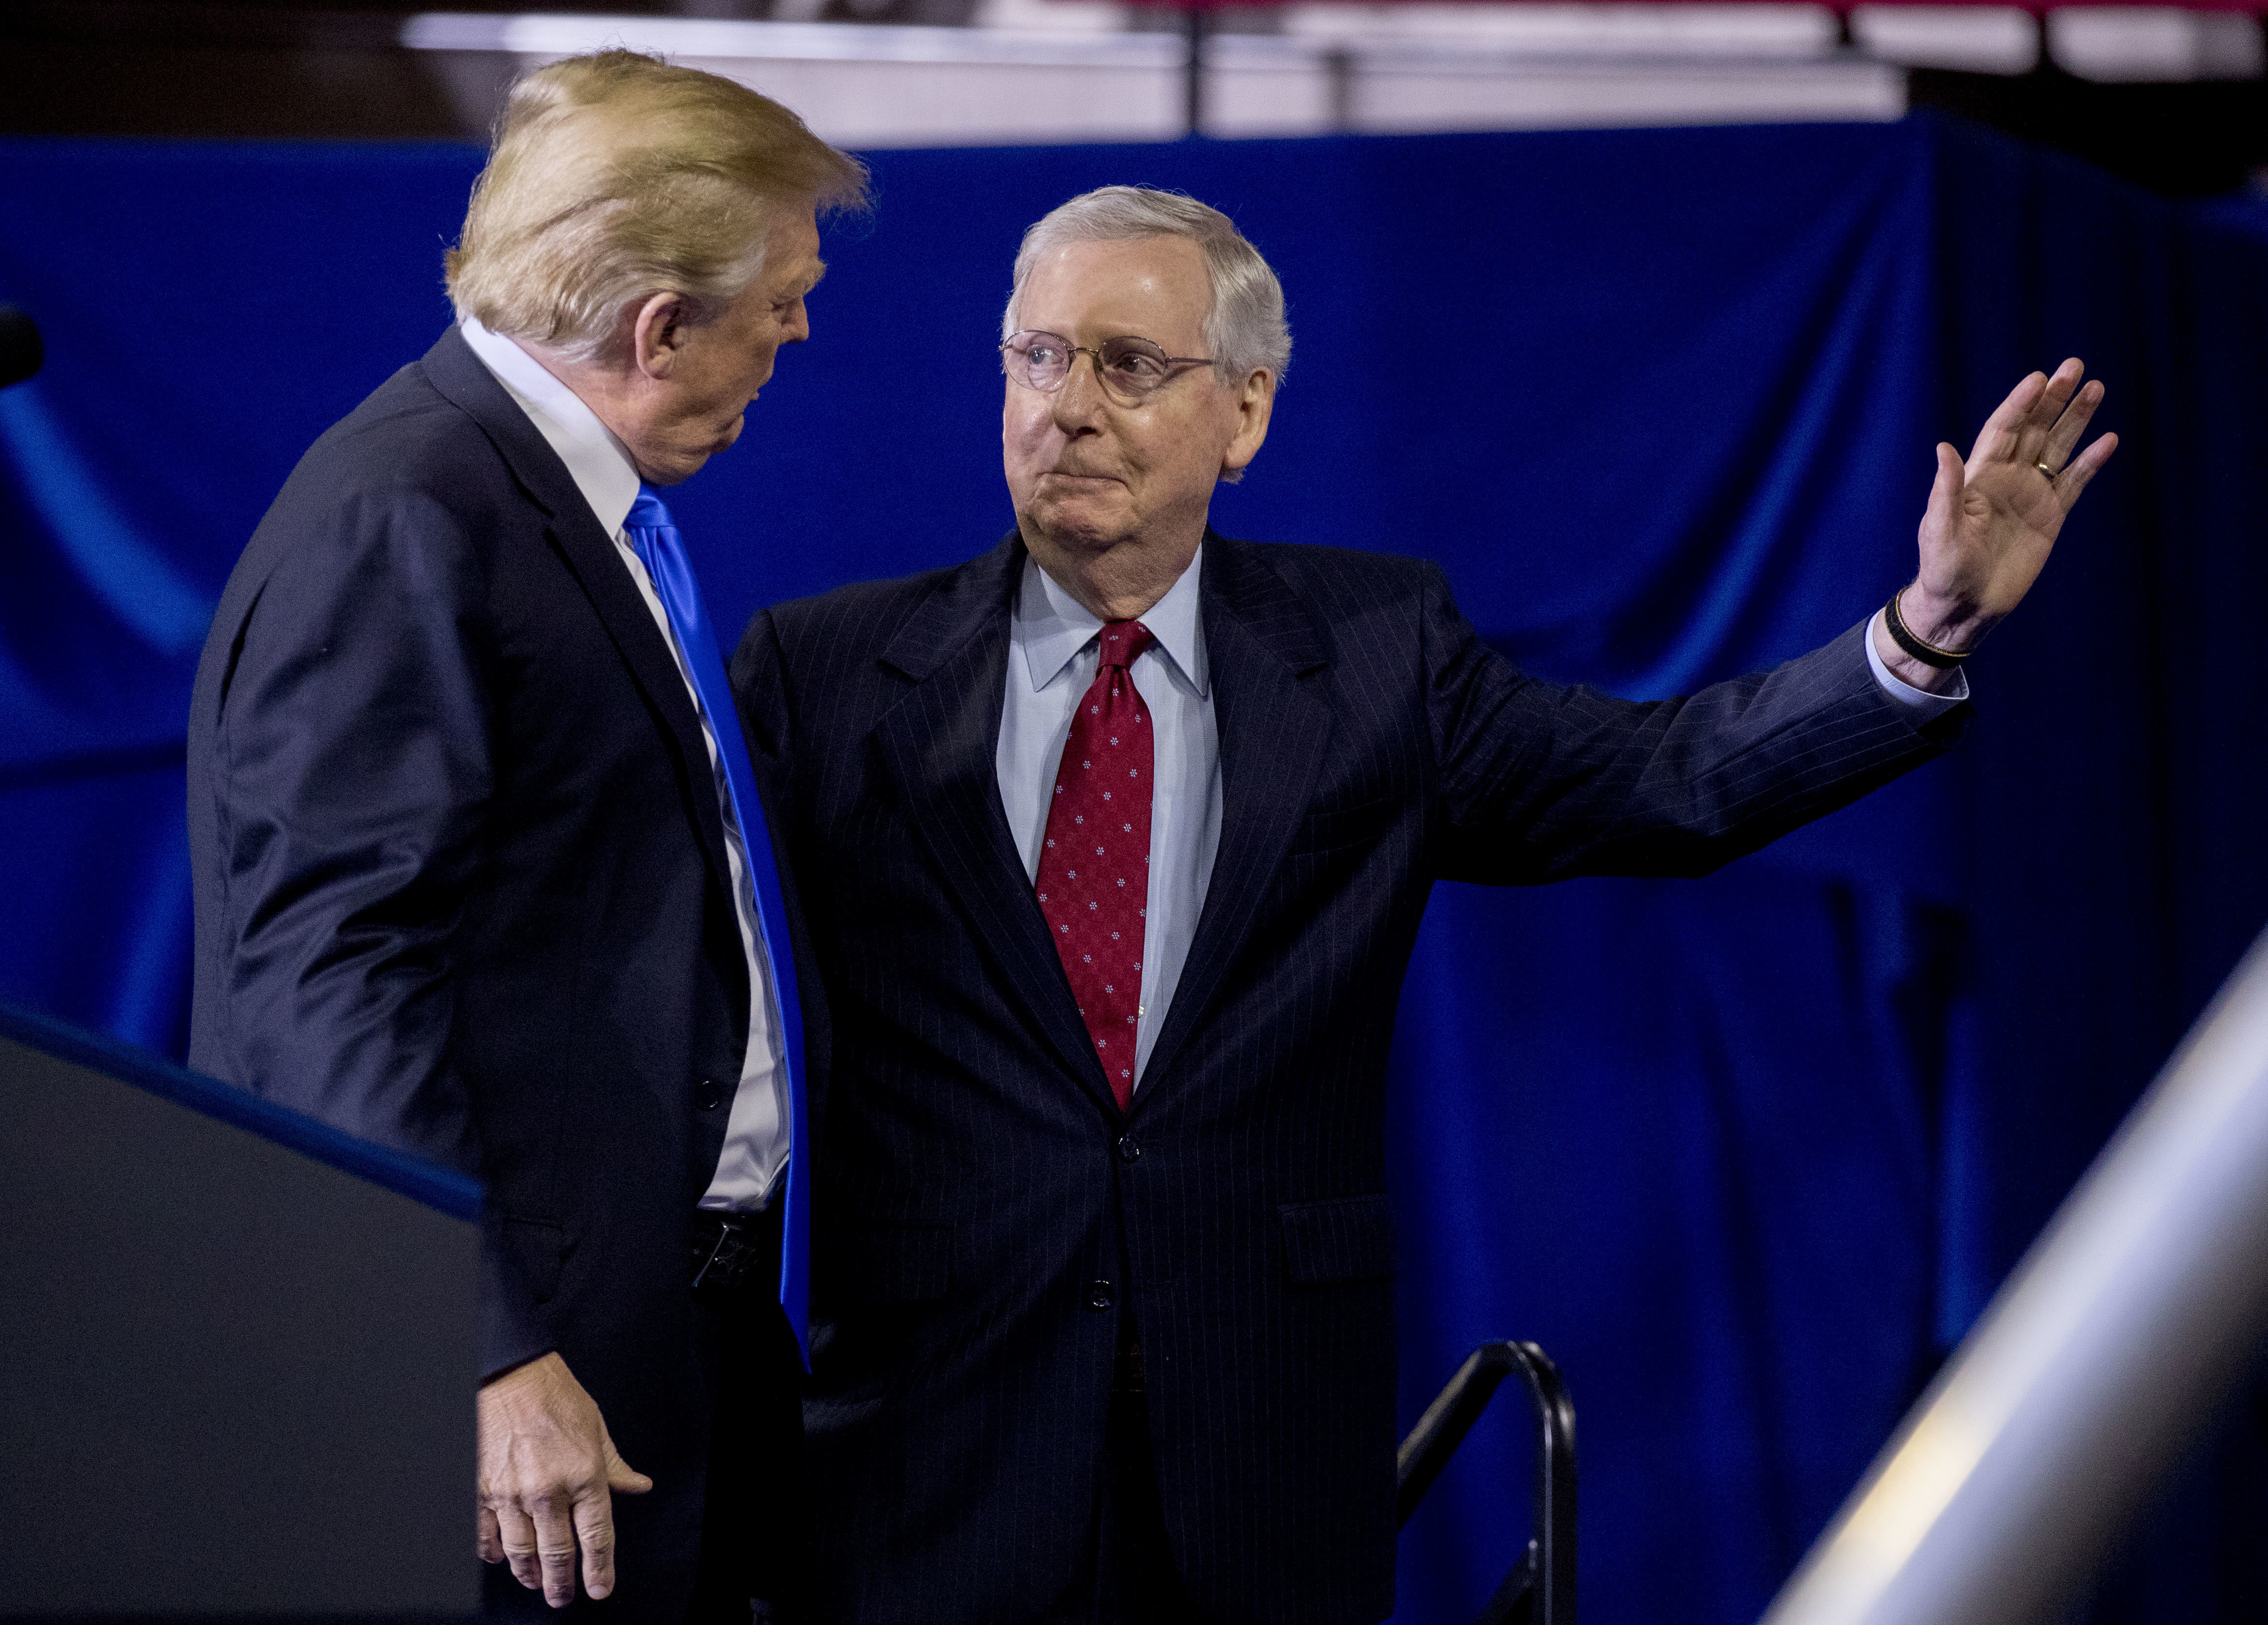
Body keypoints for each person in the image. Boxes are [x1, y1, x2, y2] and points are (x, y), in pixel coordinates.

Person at [728, 186, 2114, 1625]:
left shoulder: (1376, 655)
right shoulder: (826, 678)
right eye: (1036, 357)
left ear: (1246, 413)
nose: (1067, 406)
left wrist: (1918, 633)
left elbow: (1667, 779)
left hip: (1256, 1468)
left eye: (1127, 365)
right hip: (928, 1468)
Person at [185, 50, 866, 1623]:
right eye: (783, 295)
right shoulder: (410, 511)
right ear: (657, 325)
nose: (801, 331)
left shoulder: (548, 498)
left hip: (657, 1343)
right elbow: (327, 980)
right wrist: (479, 1346)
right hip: (518, 1394)